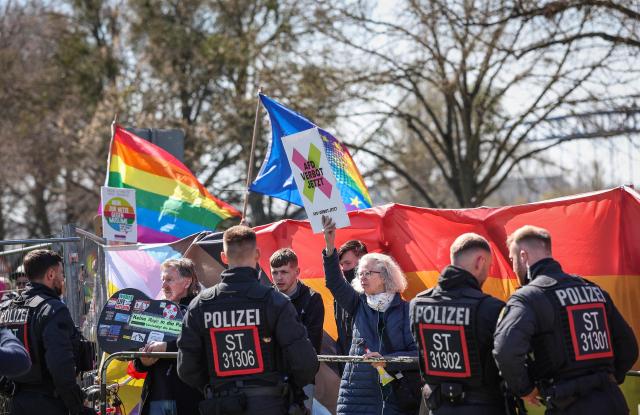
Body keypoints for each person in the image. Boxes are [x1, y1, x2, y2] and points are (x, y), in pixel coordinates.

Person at [494, 225, 639, 414]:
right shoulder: (594, 290)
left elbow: (506, 349)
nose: (513, 267)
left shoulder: (529, 298)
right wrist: (607, 379)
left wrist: (526, 389)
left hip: (568, 404)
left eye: (512, 260)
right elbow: (628, 346)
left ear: (523, 256)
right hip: (612, 401)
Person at [177, 225, 319, 415]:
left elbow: (187, 367)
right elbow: (305, 364)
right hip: (270, 404)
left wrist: (216, 387)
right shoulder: (276, 302)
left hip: (221, 404)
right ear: (258, 255)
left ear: (223, 257)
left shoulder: (200, 305)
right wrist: (286, 389)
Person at [322, 216, 418, 415]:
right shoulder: (357, 303)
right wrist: (330, 245)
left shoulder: (407, 310)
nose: (362, 278)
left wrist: (387, 360)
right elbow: (334, 282)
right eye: (360, 274)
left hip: (395, 398)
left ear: (384, 276)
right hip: (355, 397)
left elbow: (418, 354)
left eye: (368, 273)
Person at [410, 233, 505, 414]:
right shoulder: (491, 308)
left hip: (438, 407)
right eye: (489, 266)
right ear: (480, 261)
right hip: (484, 406)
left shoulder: (417, 304)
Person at [0, 249, 94, 415]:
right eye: (61, 273)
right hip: (49, 402)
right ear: (51, 275)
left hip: (16, 402)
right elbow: (60, 365)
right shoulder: (52, 309)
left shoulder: (7, 308)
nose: (63, 279)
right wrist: (77, 405)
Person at [132, 258, 203, 415]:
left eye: (169, 280)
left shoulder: (200, 309)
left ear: (187, 282)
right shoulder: (155, 310)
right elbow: (137, 360)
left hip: (189, 397)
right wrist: (143, 361)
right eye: (163, 280)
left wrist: (166, 348)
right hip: (157, 397)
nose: (163, 285)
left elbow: (201, 344)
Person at [270, 248, 325, 413]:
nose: (279, 277)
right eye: (275, 272)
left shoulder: (312, 299)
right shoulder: (265, 298)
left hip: (302, 377)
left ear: (297, 271)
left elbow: (312, 344)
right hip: (271, 378)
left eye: (284, 272)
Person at [334, 239, 367, 371]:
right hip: (347, 365)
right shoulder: (339, 295)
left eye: (347, 263)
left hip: (368, 366)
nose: (344, 269)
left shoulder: (376, 293)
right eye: (341, 264)